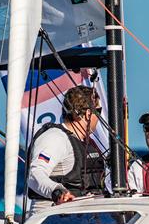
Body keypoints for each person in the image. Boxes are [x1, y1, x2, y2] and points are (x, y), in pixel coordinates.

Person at [26, 85, 107, 215]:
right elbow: (35, 175)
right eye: (98, 110)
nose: (99, 116)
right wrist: (58, 191)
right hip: (50, 222)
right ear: (88, 114)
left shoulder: (87, 143)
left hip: (80, 219)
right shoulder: (56, 138)